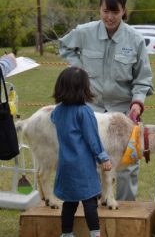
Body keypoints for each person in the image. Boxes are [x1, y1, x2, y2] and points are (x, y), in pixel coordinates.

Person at [58, 0, 154, 201]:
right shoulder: (85, 31)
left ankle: (126, 212)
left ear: (123, 11)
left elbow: (143, 78)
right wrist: (79, 68)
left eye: (115, 12)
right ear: (99, 10)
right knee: (87, 160)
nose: (109, 17)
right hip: (90, 110)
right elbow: (65, 46)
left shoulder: (136, 39)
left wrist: (137, 103)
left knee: (127, 164)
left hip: (123, 111)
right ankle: (91, 210)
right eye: (105, 12)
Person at [51, 67, 112, 237]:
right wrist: (103, 157)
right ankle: (95, 234)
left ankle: (67, 234)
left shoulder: (58, 111)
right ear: (83, 88)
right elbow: (93, 138)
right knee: (90, 201)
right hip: (82, 167)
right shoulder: (84, 112)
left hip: (65, 165)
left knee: (69, 203)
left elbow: (53, 119)